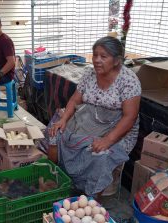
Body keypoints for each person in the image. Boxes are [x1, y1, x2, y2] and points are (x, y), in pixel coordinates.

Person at [49, 36, 141, 197]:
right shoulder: (90, 74)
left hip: (116, 129)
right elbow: (75, 99)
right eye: (95, 55)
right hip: (89, 118)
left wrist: (108, 140)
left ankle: (92, 199)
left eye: (103, 56)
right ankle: (59, 181)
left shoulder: (128, 81)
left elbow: (129, 117)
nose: (97, 60)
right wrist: (63, 120)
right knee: (54, 133)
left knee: (100, 156)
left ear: (117, 60)